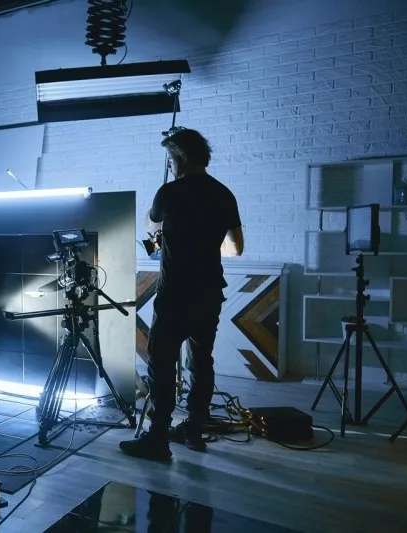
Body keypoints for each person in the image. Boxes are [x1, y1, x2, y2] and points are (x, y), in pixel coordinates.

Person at [120, 128, 244, 461]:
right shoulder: (224, 194)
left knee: (161, 366)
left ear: (181, 158)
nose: (170, 166)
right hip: (209, 293)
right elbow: (237, 247)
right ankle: (194, 431)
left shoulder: (169, 193)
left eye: (170, 160)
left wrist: (163, 221)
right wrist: (205, 243)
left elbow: (151, 228)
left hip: (175, 294)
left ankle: (157, 439)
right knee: (201, 363)